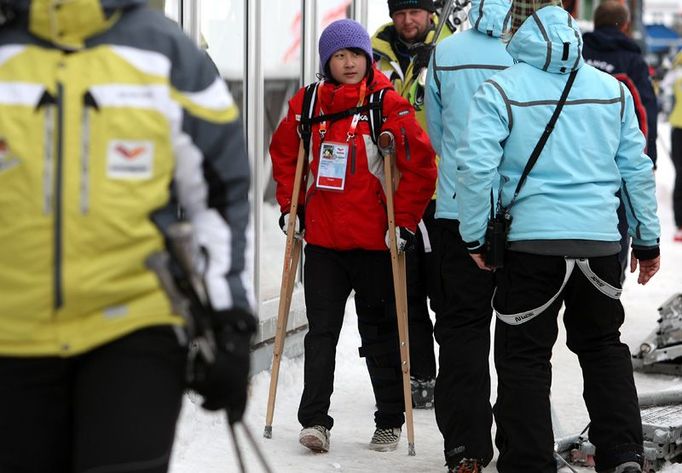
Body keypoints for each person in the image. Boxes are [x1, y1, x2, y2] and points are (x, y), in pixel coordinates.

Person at [0, 2, 256, 473]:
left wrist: (229, 316)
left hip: (135, 324)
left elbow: (218, 196)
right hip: (11, 334)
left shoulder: (168, 54)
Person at [454, 1, 661, 472]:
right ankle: (624, 453)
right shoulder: (613, 92)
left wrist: (474, 238)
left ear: (522, 39)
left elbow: (475, 169)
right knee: (604, 347)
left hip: (531, 247)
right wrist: (647, 242)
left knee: (524, 356)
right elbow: (636, 169)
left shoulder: (500, 89)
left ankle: (528, 463)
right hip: (600, 244)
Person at [270, 19, 436, 453]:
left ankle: (389, 420)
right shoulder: (307, 104)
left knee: (380, 333)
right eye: (340, 56)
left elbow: (421, 167)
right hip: (324, 241)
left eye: (356, 55)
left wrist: (402, 223)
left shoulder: (388, 105)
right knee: (320, 333)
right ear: (327, 61)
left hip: (374, 244)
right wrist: (291, 207)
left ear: (368, 57)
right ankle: (315, 422)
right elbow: (286, 154)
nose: (349, 63)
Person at [423, 0, 513, 470]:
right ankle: (519, 442)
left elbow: (436, 133)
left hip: (457, 208)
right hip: (519, 215)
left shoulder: (445, 52)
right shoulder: (526, 55)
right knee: (520, 335)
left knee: (461, 329)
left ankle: (465, 447)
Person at [372, 0, 455, 408]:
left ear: (430, 13)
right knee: (406, 289)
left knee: (446, 291)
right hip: (397, 190)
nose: (407, 21)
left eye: (415, 12)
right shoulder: (373, 54)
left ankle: (454, 372)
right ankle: (421, 372)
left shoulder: (451, 48)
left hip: (442, 192)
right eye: (400, 12)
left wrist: (437, 66)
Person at [582, 0, 659, 277]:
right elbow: (646, 112)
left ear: (595, 23)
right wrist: (648, 159)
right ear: (625, 26)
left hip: (571, 154)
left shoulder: (576, 52)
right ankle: (609, 277)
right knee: (615, 227)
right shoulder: (632, 62)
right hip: (616, 162)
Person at [660, 51, 682, 242]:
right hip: (678, 127)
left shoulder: (676, 71)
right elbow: (662, 88)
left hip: (677, 128)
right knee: (681, 175)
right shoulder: (677, 71)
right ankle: (680, 224)